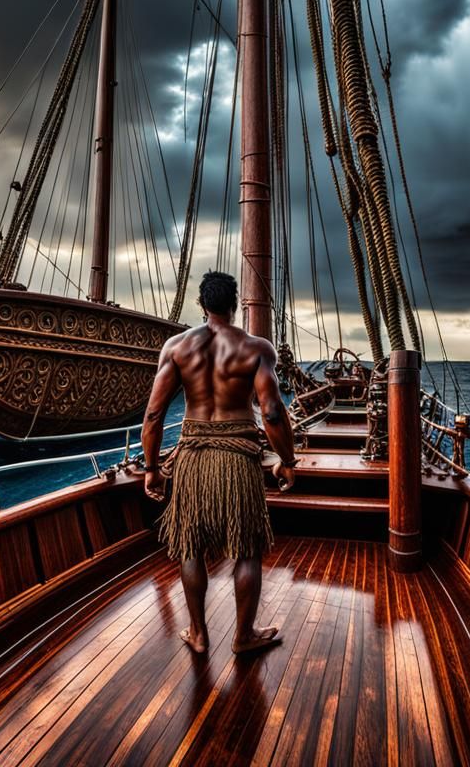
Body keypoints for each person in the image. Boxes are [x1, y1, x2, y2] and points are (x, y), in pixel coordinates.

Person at [140, 270, 298, 655]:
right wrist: (287, 460)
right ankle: (243, 636)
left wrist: (152, 469)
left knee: (190, 546)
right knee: (247, 549)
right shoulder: (255, 348)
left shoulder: (176, 348)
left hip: (192, 459)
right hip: (238, 460)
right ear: (235, 306)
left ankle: (198, 632)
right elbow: (273, 413)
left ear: (201, 305)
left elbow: (153, 417)